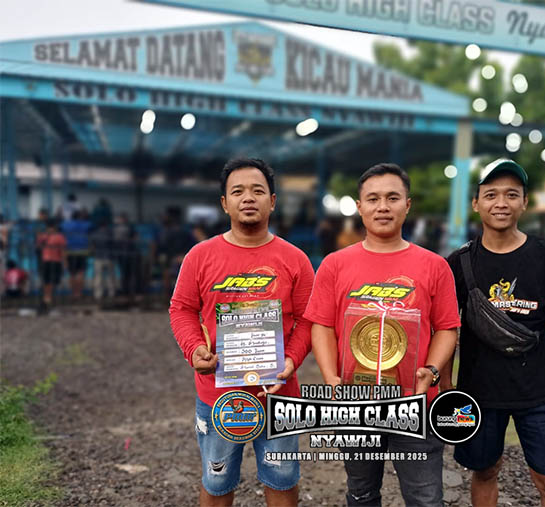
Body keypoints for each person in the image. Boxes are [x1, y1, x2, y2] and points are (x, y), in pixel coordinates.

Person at [304, 163, 460, 507]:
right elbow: (322, 325)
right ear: (360, 207)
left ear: (408, 205)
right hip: (355, 403)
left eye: (392, 197)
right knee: (361, 493)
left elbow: (447, 328)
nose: (383, 207)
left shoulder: (435, 266)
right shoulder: (334, 264)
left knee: (425, 499)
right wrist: (331, 379)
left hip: (415, 403)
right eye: (373, 199)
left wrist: (432, 370)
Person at [169, 158, 314, 507]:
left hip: (279, 394)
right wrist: (194, 349)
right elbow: (181, 309)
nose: (248, 198)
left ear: (272, 201)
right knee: (217, 481)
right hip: (217, 395)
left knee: (282, 479)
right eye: (238, 191)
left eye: (257, 191)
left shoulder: (295, 259)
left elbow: (309, 320)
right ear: (224, 203)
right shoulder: (200, 256)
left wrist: (292, 360)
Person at [445, 158, 545, 507]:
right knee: (484, 471)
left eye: (511, 194)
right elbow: (446, 328)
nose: (501, 203)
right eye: (491, 194)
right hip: (479, 391)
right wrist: (445, 385)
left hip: (538, 391)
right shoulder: (459, 262)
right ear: (476, 203)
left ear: (525, 202)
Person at [36, 219, 67, 312]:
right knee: (51, 281)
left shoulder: (43, 236)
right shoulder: (59, 237)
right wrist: (65, 262)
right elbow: (63, 251)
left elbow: (38, 248)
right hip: (54, 261)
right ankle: (47, 298)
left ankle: (47, 298)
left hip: (47, 261)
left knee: (48, 281)